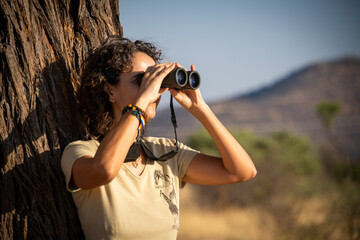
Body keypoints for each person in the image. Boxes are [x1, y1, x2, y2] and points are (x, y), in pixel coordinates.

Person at [61, 36, 257, 240]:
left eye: (156, 81)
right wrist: (142, 102)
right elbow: (105, 170)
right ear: (110, 90)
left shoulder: (165, 153)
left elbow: (242, 172)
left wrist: (200, 109)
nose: (154, 90)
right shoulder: (82, 152)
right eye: (142, 81)